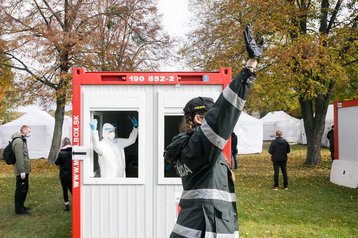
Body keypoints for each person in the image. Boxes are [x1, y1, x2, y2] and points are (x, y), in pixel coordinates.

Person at [164, 24, 264, 238]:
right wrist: (250, 67)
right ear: (200, 119)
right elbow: (224, 112)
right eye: (209, 119)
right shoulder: (199, 144)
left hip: (194, 227)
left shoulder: (190, 147)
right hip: (205, 229)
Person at [12, 125, 32, 215]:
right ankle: (19, 209)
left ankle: (21, 206)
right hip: (21, 171)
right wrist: (22, 171)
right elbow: (19, 157)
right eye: (28, 131)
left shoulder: (22, 140)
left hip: (24, 170)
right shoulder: (18, 141)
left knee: (24, 188)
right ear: (23, 130)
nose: (29, 133)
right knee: (20, 189)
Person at [55, 137, 72, 211]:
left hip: (64, 175)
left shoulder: (61, 153)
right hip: (72, 174)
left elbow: (56, 162)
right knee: (72, 190)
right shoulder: (73, 151)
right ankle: (78, 203)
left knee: (65, 191)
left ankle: (67, 206)